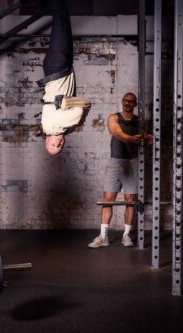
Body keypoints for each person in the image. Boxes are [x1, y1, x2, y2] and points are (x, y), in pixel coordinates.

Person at [88, 93, 151, 249]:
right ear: (122, 102)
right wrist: (130, 138)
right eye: (125, 100)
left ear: (135, 104)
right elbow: (116, 132)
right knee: (107, 200)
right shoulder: (113, 118)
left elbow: (146, 140)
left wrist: (149, 139)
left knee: (131, 200)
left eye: (131, 101)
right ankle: (103, 237)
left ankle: (126, 235)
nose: (127, 103)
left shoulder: (140, 122)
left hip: (133, 162)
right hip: (115, 163)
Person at [39, 0, 91, 155]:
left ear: (47, 140)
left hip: (57, 69)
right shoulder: (56, 127)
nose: (59, 144)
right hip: (59, 70)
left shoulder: (56, 126)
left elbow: (82, 109)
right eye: (60, 147)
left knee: (61, 19)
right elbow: (80, 107)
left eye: (54, 145)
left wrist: (78, 106)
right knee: (62, 21)